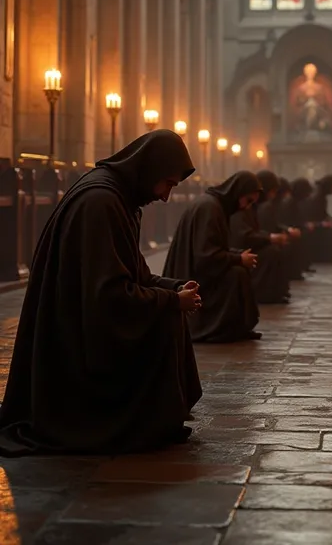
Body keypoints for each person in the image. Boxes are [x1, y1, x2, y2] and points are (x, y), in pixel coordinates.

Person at [0, 130, 203, 456]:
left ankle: (162, 411)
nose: (166, 196)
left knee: (167, 309)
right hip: (77, 343)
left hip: (85, 320)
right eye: (167, 183)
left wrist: (172, 288)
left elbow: (133, 273)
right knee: (164, 319)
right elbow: (109, 297)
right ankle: (144, 417)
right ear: (150, 169)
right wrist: (170, 302)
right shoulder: (102, 201)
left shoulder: (119, 197)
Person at [162, 171, 261, 343]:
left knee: (239, 271)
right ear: (238, 192)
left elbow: (213, 247)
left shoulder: (214, 206)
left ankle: (237, 328)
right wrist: (238, 259)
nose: (247, 207)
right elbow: (205, 257)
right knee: (237, 274)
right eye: (248, 201)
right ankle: (222, 328)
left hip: (200, 271)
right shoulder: (210, 208)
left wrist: (238, 255)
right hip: (194, 279)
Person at [230, 174, 290, 304]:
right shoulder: (238, 209)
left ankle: (276, 293)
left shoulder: (252, 207)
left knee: (274, 251)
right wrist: (270, 238)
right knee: (271, 253)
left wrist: (270, 237)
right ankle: (263, 293)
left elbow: (253, 231)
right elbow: (241, 235)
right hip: (237, 249)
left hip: (248, 244)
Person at [256, 170, 305, 283]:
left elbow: (273, 224)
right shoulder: (264, 206)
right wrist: (271, 237)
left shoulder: (270, 205)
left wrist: (286, 230)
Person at [278, 177, 316, 271]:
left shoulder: (294, 201)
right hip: (289, 228)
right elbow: (289, 219)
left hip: (292, 227)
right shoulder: (290, 202)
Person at [304, 174, 332, 263]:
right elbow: (313, 213)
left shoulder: (320, 193)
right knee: (326, 229)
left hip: (315, 220)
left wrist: (328, 218)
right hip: (310, 222)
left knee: (328, 227)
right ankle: (323, 257)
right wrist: (322, 223)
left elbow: (321, 212)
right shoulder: (317, 195)